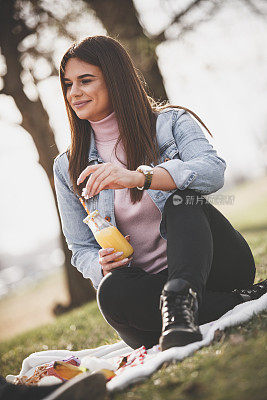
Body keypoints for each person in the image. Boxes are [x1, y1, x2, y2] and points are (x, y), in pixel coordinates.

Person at [54, 35, 266, 352]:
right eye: (68, 84)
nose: (75, 93)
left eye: (85, 80)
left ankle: (182, 300)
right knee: (110, 291)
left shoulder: (170, 123)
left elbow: (212, 170)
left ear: (115, 79)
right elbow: (79, 247)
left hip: (215, 267)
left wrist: (141, 176)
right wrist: (100, 265)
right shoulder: (66, 166)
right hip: (146, 293)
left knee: (183, 201)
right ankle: (222, 304)